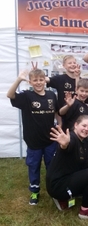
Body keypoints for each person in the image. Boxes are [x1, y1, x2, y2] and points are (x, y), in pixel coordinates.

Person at [7, 69, 60, 205]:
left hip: (50, 140)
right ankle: (35, 192)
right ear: (30, 82)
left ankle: (53, 190)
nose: (38, 83)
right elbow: (10, 94)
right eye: (35, 80)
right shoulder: (26, 96)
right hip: (33, 141)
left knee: (52, 166)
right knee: (34, 167)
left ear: (45, 80)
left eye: (41, 80)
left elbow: (57, 112)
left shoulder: (51, 95)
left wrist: (59, 126)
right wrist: (19, 79)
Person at [46, 115, 88, 219]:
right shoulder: (72, 138)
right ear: (76, 125)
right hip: (57, 185)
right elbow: (67, 146)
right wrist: (64, 145)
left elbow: (85, 167)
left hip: (64, 179)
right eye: (84, 125)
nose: (86, 129)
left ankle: (63, 199)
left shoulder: (84, 142)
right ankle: (85, 210)